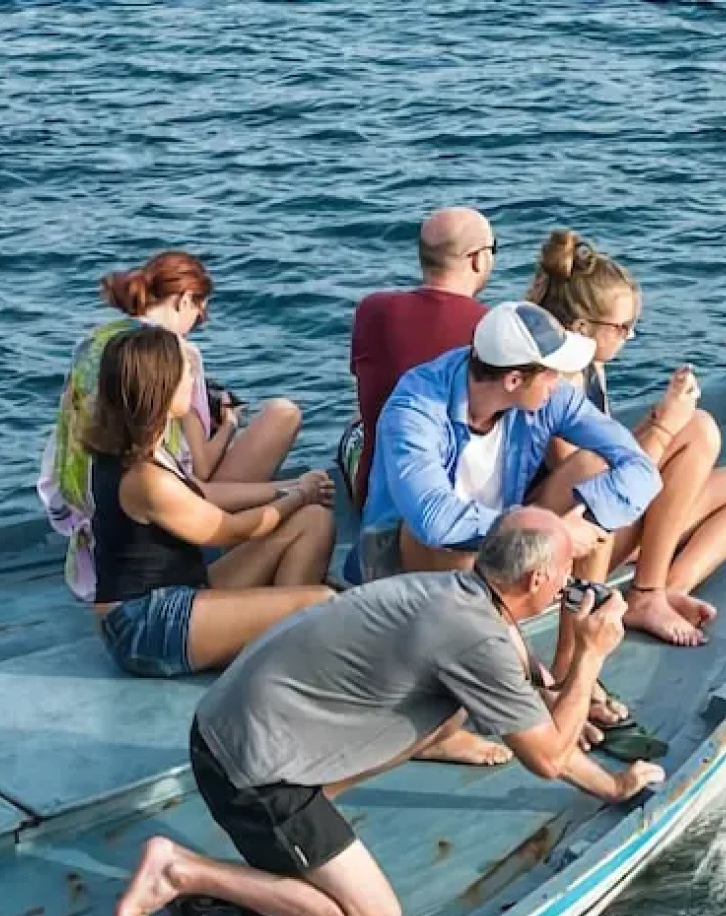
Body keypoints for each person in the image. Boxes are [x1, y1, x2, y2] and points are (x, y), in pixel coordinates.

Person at [113, 508, 665, 916]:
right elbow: (547, 757)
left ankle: (306, 821)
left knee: (442, 711)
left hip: (232, 725)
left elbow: (532, 701)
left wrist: (614, 789)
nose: (572, 585)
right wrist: (590, 654)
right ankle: (181, 871)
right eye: (567, 575)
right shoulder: (476, 638)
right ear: (537, 579)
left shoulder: (457, 591)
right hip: (249, 771)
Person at [524, 229, 726, 646]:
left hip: (604, 521)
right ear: (582, 325)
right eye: (622, 327)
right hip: (568, 538)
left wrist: (664, 421)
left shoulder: (590, 366)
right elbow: (597, 482)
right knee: (696, 429)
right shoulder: (551, 384)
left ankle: (664, 589)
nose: (629, 337)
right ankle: (647, 594)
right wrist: (663, 424)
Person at [40, 250, 302, 601]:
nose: (198, 322)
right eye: (200, 312)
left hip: (92, 536)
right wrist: (230, 426)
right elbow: (200, 472)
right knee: (283, 415)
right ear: (183, 300)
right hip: (158, 525)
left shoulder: (92, 342)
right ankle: (245, 568)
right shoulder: (174, 354)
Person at [81, 327, 336, 677]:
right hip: (144, 626)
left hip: (179, 592)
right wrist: (298, 495)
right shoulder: (144, 478)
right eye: (186, 371)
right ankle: (282, 654)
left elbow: (202, 494)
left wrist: (291, 487)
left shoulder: (141, 446)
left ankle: (279, 642)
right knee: (319, 603)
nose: (193, 378)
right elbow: (228, 530)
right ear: (162, 384)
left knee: (313, 521)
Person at [359, 300, 662, 583]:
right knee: (441, 535)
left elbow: (640, 467)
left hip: (499, 536)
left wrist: (589, 519)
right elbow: (433, 521)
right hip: (405, 559)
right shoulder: (415, 408)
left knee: (594, 471)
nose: (561, 381)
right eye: (552, 372)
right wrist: (552, 532)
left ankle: (577, 614)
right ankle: (484, 619)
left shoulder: (550, 396)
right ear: (514, 380)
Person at [348, 207, 497, 505]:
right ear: (478, 259)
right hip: (463, 494)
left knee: (357, 424)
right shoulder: (493, 327)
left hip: (374, 493)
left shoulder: (372, 309)